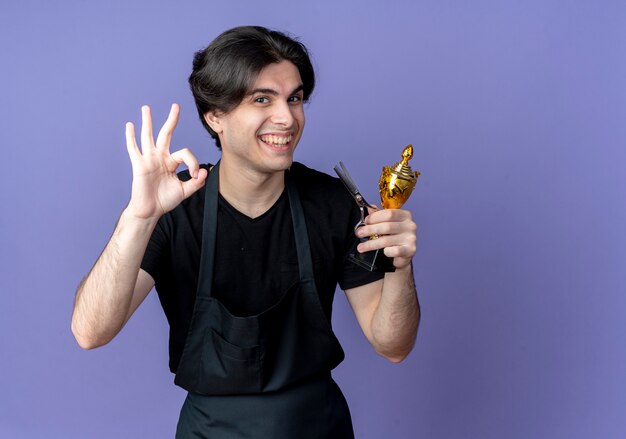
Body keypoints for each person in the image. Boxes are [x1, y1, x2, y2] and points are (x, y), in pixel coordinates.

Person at [71, 25, 420, 438]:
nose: (287, 118)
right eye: (262, 99)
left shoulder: (333, 203)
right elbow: (90, 332)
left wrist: (400, 263)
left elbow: (393, 346)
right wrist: (139, 218)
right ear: (215, 115)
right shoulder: (174, 209)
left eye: (295, 98)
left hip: (314, 426)